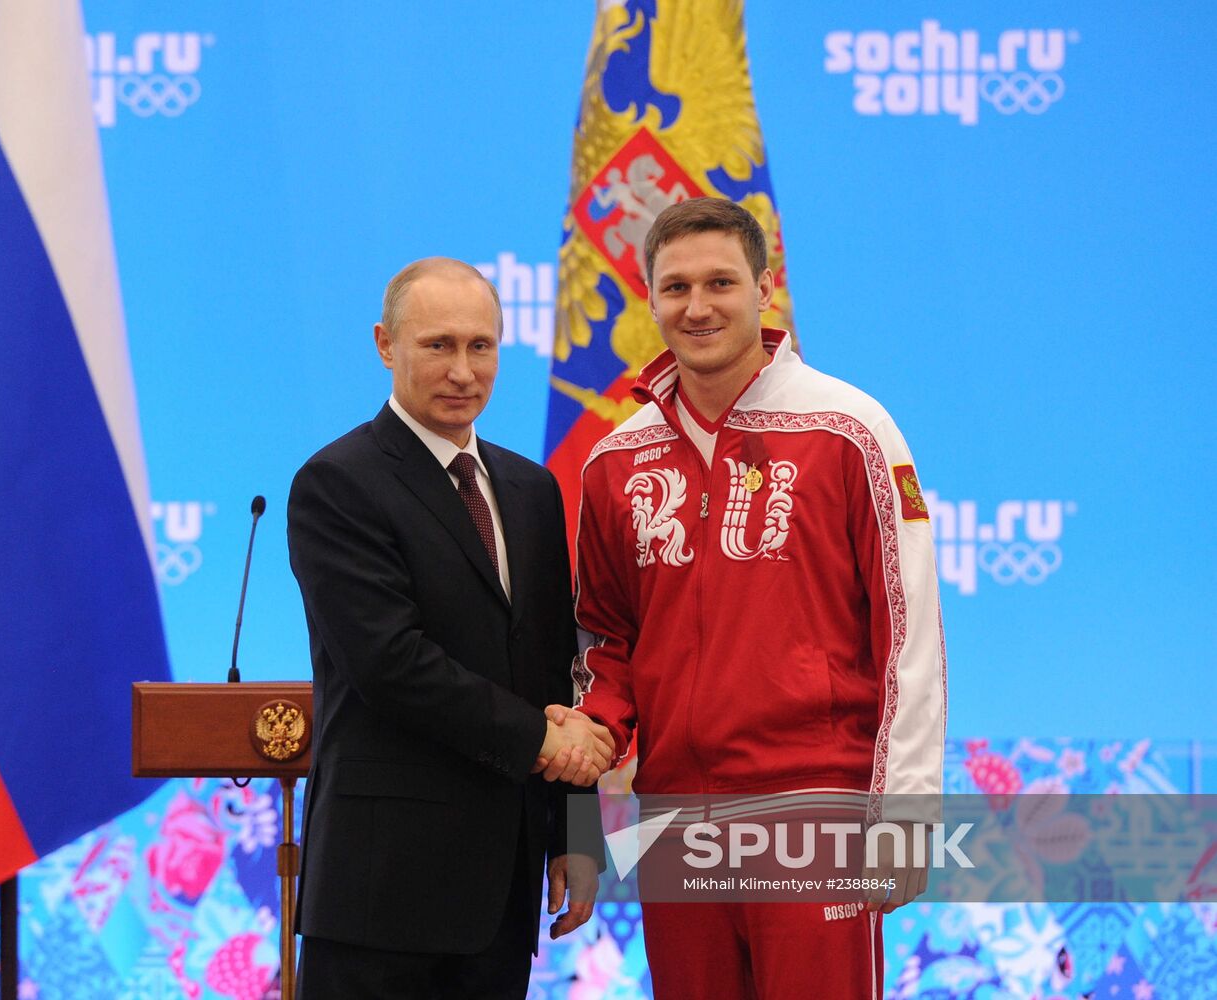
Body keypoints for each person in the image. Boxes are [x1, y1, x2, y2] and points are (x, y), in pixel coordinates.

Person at [572, 199, 947, 998]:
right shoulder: (614, 462)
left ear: (765, 289)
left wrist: (906, 809)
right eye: (675, 287)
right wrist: (590, 745)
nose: (697, 306)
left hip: (812, 804)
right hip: (674, 814)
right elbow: (604, 643)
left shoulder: (849, 429)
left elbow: (907, 630)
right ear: (649, 297)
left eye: (720, 283)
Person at [287, 257, 612, 999]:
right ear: (385, 344)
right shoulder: (337, 482)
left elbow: (557, 671)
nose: (462, 370)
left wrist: (575, 834)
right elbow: (390, 663)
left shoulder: (532, 489)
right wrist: (543, 741)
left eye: (481, 346)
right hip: (379, 893)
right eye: (437, 345)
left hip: (499, 890)